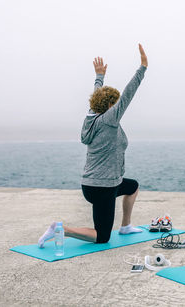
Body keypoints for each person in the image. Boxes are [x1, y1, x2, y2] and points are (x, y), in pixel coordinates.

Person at [38, 44, 148, 247]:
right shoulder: (109, 119)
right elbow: (128, 95)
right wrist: (142, 68)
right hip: (103, 187)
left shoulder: (92, 117)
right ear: (109, 106)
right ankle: (61, 229)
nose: (117, 106)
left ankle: (125, 226)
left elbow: (98, 95)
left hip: (96, 184)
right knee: (102, 236)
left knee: (132, 186)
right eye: (114, 103)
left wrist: (99, 76)